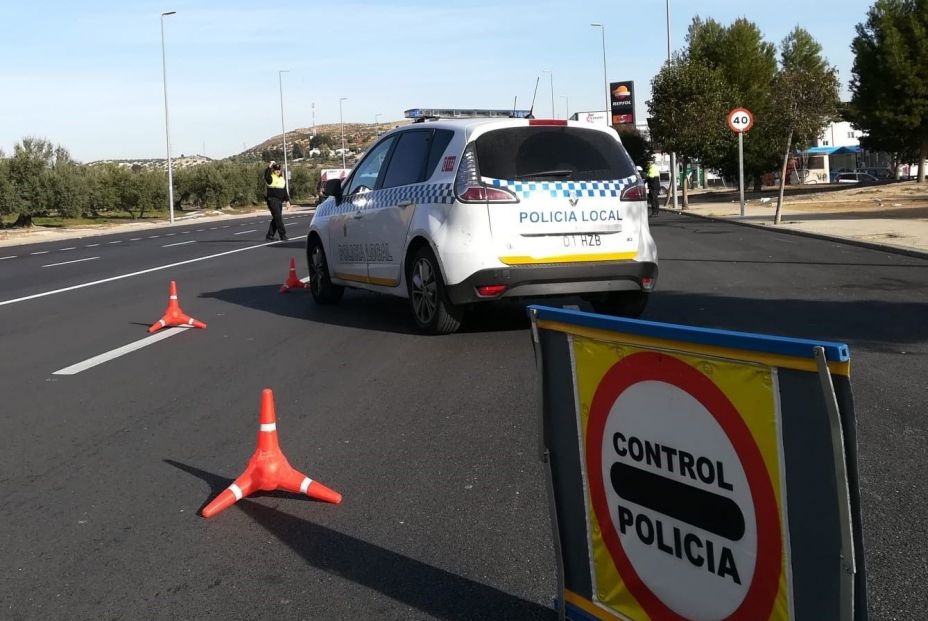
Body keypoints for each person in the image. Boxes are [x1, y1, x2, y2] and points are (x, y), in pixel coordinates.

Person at [264, 161, 289, 241]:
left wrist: (287, 201)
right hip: (272, 200)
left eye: (279, 169)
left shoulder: (282, 179)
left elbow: (284, 191)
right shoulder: (271, 178)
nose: (278, 171)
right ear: (273, 170)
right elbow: (266, 176)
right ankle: (283, 235)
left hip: (279, 201)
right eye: (276, 169)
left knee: (276, 218)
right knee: (278, 218)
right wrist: (269, 166)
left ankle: (269, 235)